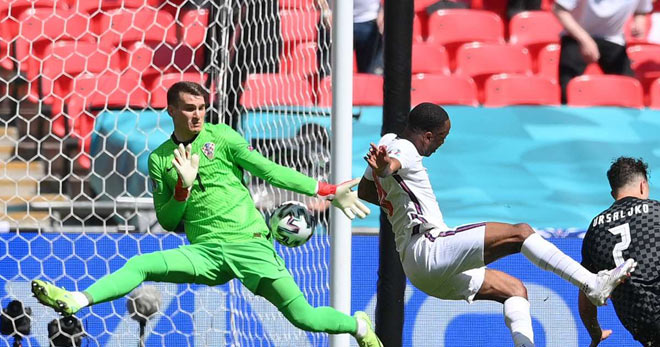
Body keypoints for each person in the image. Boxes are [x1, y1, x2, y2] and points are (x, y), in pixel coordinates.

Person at [31, 81, 381, 347]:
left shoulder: (222, 137)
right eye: (188, 108)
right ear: (170, 110)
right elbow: (168, 221)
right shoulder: (160, 160)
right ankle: (76, 300)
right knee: (139, 265)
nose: (197, 114)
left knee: (305, 319)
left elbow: (269, 171)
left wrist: (326, 190)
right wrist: (182, 188)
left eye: (201, 107)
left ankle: (359, 326)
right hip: (206, 253)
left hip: (251, 246)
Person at [357, 102, 636, 347]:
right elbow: (390, 166)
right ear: (428, 136)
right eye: (442, 137)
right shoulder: (404, 148)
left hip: (418, 269)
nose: (443, 143)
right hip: (430, 247)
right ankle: (592, 283)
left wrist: (393, 197)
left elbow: (365, 191)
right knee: (521, 233)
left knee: (514, 290)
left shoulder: (387, 141)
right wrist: (385, 168)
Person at [579, 157, 660, 346]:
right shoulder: (656, 212)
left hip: (644, 328)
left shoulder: (596, 229)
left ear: (613, 192)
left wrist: (595, 332)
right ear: (643, 186)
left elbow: (586, 290)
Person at [553, 0, 653, 103]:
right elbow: (559, 9)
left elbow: (641, 11)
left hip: (613, 39)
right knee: (567, 91)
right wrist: (585, 39)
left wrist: (639, 22)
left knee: (628, 90)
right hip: (576, 36)